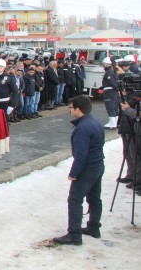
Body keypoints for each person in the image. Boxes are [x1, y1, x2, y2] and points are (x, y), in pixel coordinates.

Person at [53, 95, 105, 245]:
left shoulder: (82, 128)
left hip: (87, 168)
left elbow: (81, 155)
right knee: (95, 198)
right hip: (98, 165)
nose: (69, 110)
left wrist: (74, 173)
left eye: (70, 107)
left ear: (78, 109)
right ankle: (94, 227)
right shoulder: (94, 122)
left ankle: (74, 234)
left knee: (75, 199)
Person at [101, 57, 120, 129]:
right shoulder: (111, 71)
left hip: (110, 92)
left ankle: (112, 123)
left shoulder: (109, 72)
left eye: (104, 64)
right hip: (112, 92)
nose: (103, 65)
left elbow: (112, 82)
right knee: (114, 107)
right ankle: (114, 122)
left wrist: (117, 89)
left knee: (110, 107)